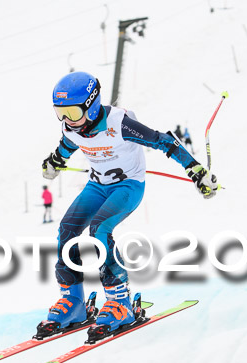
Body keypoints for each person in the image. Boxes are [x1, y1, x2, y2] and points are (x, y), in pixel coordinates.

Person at [38, 71, 219, 342]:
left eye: (72, 113)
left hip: (127, 187)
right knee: (67, 229)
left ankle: (119, 302)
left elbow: (163, 141)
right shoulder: (72, 127)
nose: (67, 120)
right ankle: (73, 302)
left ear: (92, 105)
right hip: (97, 186)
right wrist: (55, 160)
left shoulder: (119, 124)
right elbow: (68, 143)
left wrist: (195, 170)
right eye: (60, 113)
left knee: (99, 229)